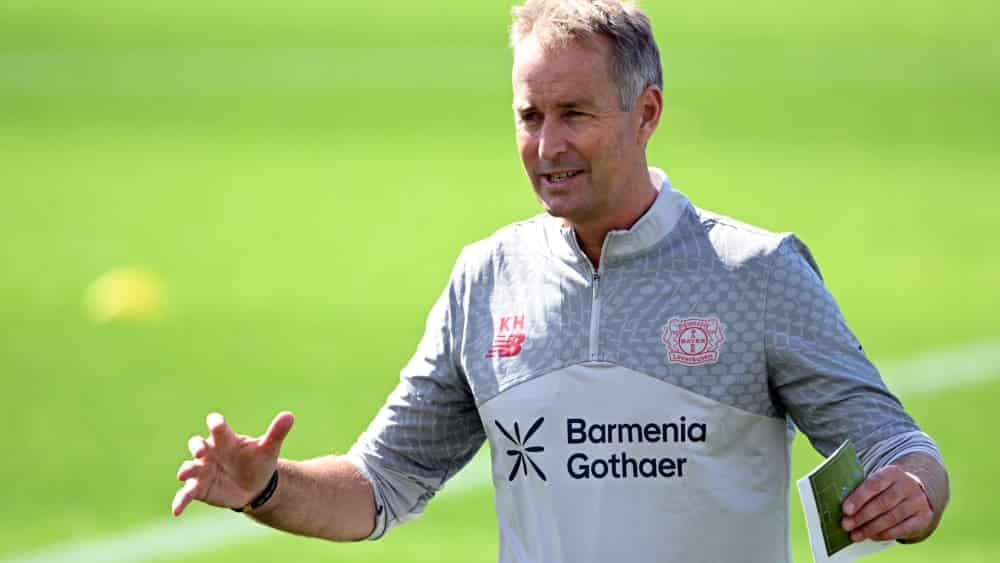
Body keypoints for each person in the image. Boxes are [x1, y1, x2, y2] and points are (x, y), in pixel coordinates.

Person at [172, 1, 949, 561]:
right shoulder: (487, 280)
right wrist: (267, 487)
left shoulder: (756, 273)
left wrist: (912, 489)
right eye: (529, 116)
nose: (547, 146)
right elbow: (379, 483)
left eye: (574, 113)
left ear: (646, 113)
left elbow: (898, 446)